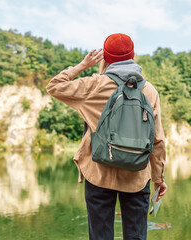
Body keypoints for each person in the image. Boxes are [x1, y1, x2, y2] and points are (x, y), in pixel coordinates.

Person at [46, 33, 167, 240]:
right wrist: (158, 178)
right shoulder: (149, 91)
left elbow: (54, 86)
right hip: (137, 176)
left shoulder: (93, 86)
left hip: (99, 172)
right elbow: (157, 140)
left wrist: (81, 66)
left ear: (106, 58)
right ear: (133, 55)